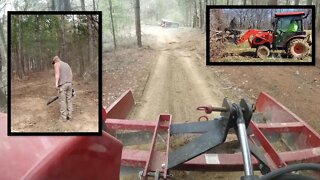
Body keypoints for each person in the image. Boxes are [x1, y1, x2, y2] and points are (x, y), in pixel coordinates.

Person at [52, 56, 73, 121]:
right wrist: (70, 83)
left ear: (55, 60)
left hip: (63, 85)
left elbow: (57, 74)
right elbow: (71, 74)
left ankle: (64, 118)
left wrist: (56, 84)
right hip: (69, 84)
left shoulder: (57, 64)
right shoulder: (67, 64)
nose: (54, 64)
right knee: (69, 100)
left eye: (54, 62)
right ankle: (70, 116)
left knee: (63, 101)